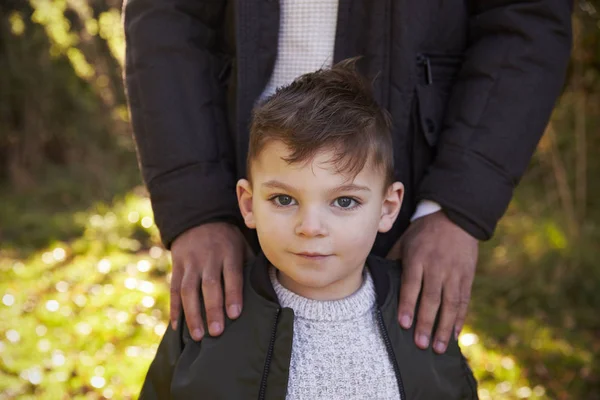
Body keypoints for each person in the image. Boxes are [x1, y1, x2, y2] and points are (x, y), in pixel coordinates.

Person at [123, 0, 572, 354]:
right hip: (229, 163)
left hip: (414, 178)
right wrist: (196, 206)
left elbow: (525, 17)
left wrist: (457, 207)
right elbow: (166, 16)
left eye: (336, 205)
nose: (311, 227)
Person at [139, 60, 479, 400]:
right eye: (284, 199)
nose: (310, 228)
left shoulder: (424, 315)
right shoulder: (206, 315)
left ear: (387, 208)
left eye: (344, 202)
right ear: (248, 203)